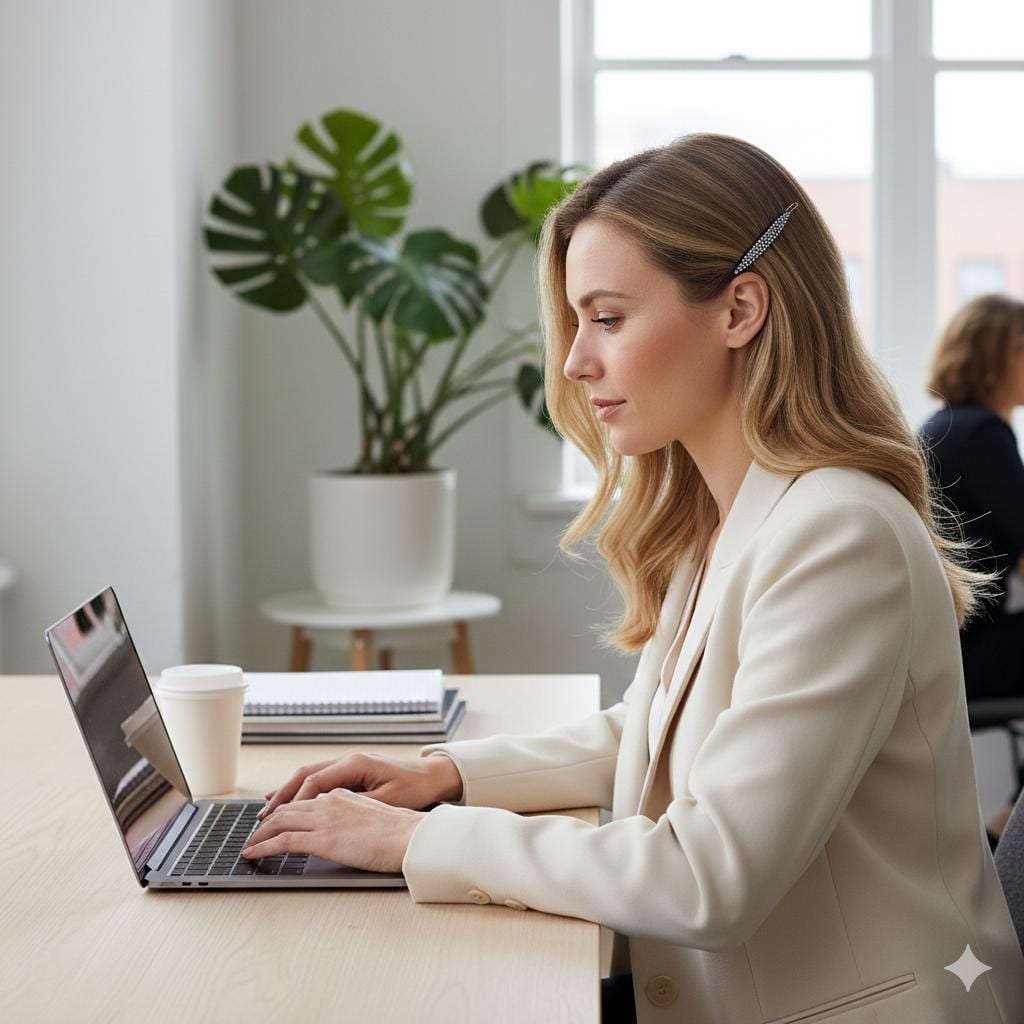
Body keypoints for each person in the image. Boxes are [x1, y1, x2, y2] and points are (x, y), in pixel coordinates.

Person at [240, 134, 1024, 1024]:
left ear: (741, 310)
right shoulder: (724, 510)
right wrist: (444, 775)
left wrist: (421, 842)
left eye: (607, 318)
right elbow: (653, 734)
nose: (575, 362)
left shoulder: (839, 536)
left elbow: (706, 875)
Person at [919, 293, 1024, 847]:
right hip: (976, 646)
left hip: (952, 640)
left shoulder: (945, 425)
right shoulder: (983, 434)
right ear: (994, 355)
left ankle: (1003, 824)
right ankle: (1006, 831)